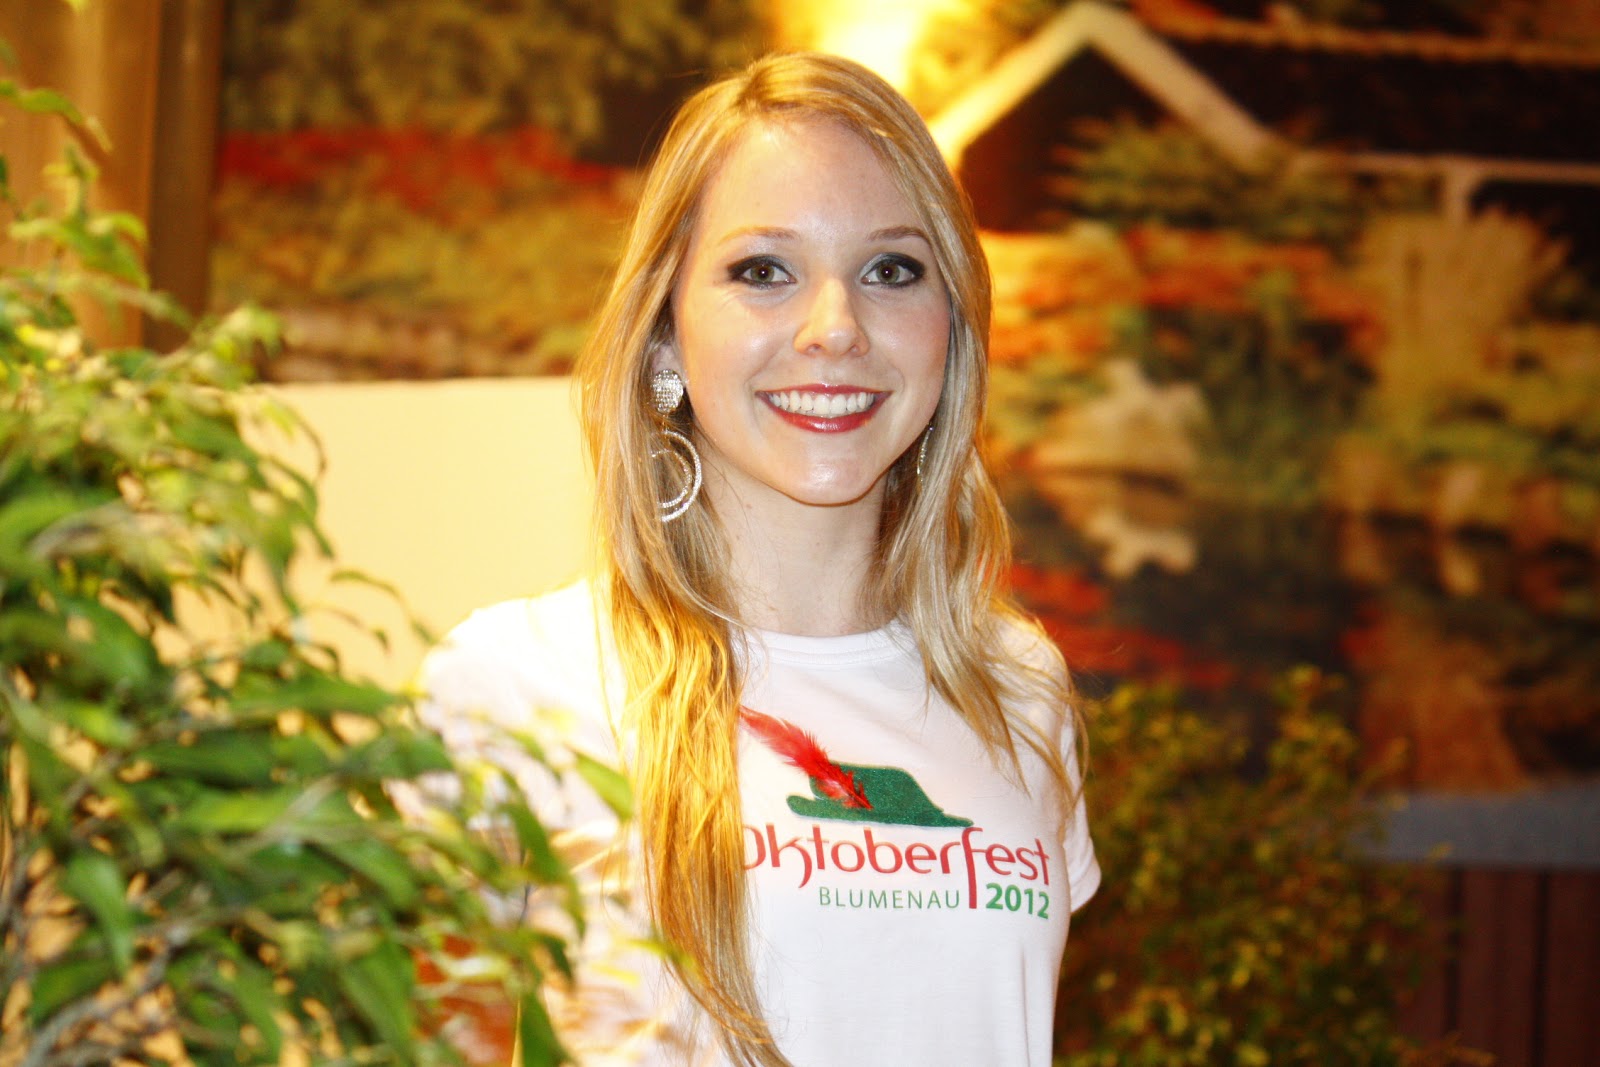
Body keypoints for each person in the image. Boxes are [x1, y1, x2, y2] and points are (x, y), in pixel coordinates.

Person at [418, 52, 1099, 1067]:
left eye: (891, 270)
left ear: (951, 333)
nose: (836, 329)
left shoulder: (1017, 690)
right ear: (664, 340)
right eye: (763, 272)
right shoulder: (517, 682)